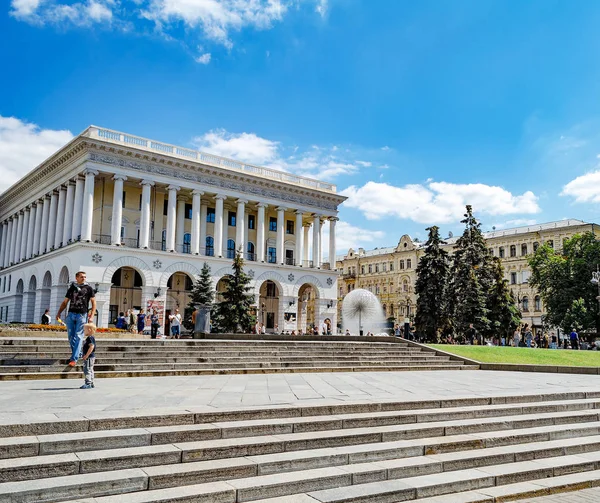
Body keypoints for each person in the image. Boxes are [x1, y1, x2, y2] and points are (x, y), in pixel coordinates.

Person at [56, 271, 96, 367]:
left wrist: (92, 315)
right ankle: (78, 353)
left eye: (85, 277)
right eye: (81, 277)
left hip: (82, 315)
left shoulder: (89, 288)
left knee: (78, 336)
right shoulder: (72, 288)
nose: (84, 278)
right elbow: (65, 302)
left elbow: (94, 303)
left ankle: (74, 359)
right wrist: (59, 313)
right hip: (71, 314)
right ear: (77, 277)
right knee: (70, 336)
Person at [80, 323, 96, 389]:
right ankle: (91, 382)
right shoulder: (91, 337)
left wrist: (86, 355)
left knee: (87, 369)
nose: (83, 331)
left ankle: (88, 383)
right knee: (90, 369)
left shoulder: (89, 338)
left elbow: (91, 346)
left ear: (89, 330)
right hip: (91, 357)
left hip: (89, 357)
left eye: (84, 330)